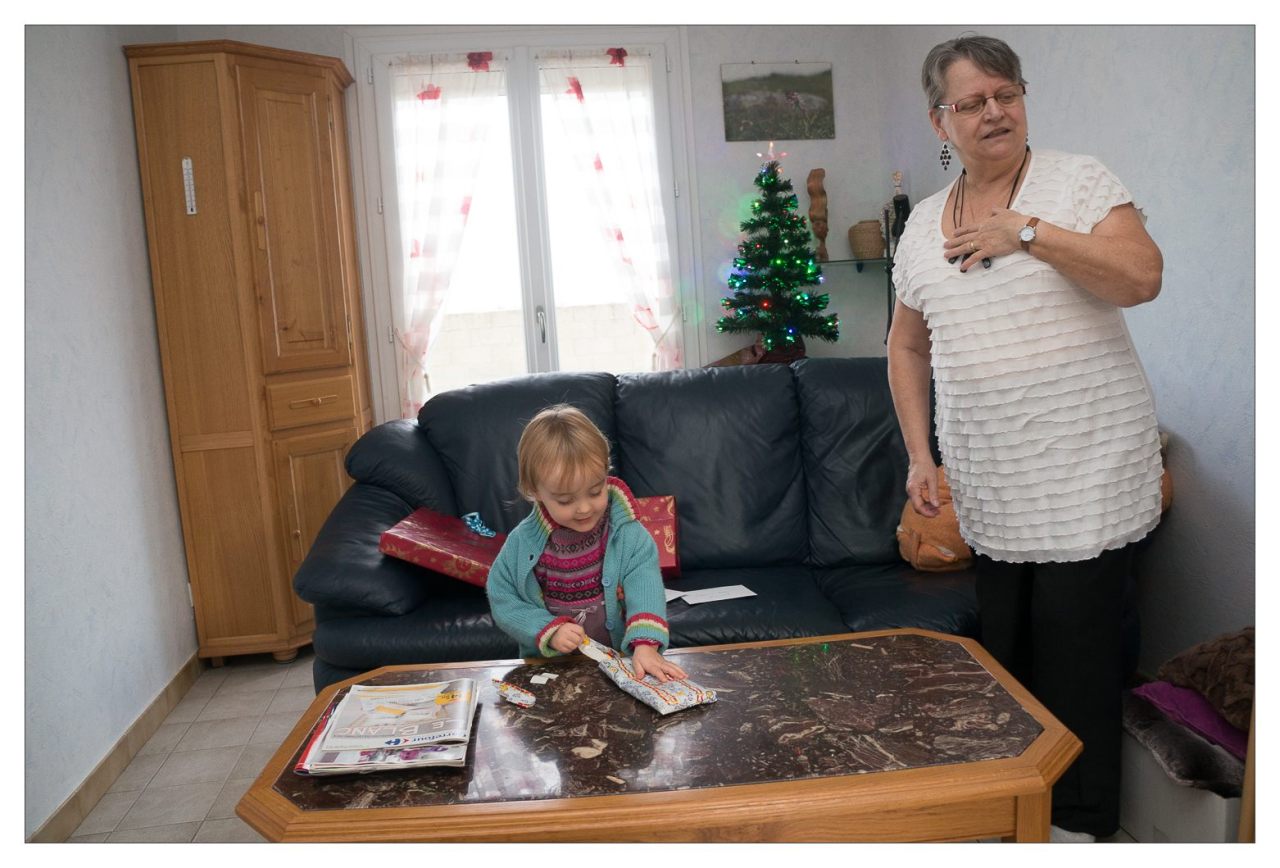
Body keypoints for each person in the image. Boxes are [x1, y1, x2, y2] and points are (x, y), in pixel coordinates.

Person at [887, 35, 1164, 842]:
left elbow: (1142, 277)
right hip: (993, 481)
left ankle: (1080, 829)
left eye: (1006, 94)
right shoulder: (922, 226)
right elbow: (907, 346)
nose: (994, 113)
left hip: (1087, 470)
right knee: (1009, 662)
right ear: (940, 120)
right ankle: (1020, 818)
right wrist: (920, 455)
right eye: (972, 102)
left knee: (1079, 659)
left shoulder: (1078, 182)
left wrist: (1030, 233)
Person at [487, 404, 687, 683]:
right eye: (565, 500)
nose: (584, 508)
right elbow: (503, 597)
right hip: (550, 671)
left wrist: (645, 645)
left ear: (606, 473)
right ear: (534, 491)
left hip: (619, 665)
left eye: (595, 491)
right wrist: (548, 629)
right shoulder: (521, 543)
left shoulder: (628, 535)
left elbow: (646, 589)